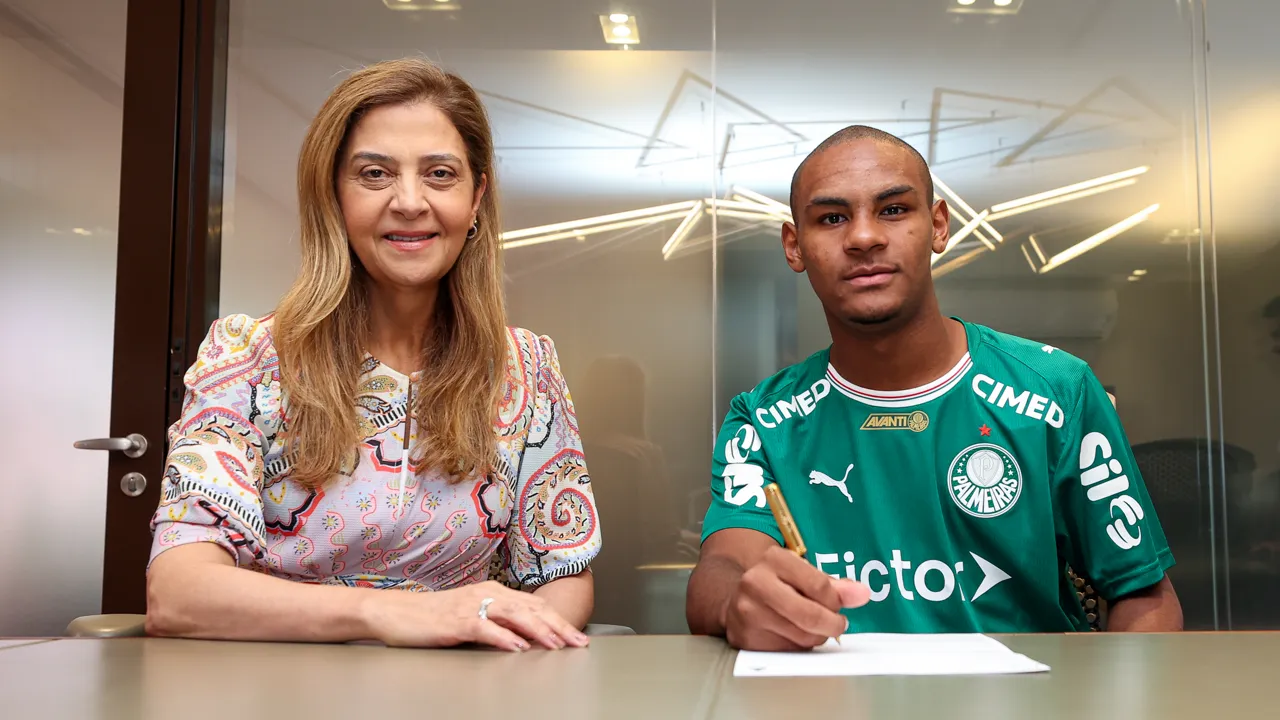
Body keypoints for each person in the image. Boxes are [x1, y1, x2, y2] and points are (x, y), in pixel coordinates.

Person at [145, 58, 600, 653]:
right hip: (268, 685)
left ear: (476, 197)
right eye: (374, 174)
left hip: (468, 689)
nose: (409, 201)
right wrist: (392, 614)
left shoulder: (525, 366)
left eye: (440, 173)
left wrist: (511, 651)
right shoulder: (248, 357)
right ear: (332, 193)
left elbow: (562, 576)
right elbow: (178, 593)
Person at [685, 125, 1183, 650]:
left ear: (939, 226)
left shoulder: (1060, 391)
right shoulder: (764, 418)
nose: (863, 238)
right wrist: (739, 600)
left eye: (894, 210)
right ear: (795, 246)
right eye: (832, 218)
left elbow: (1143, 597)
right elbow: (722, 566)